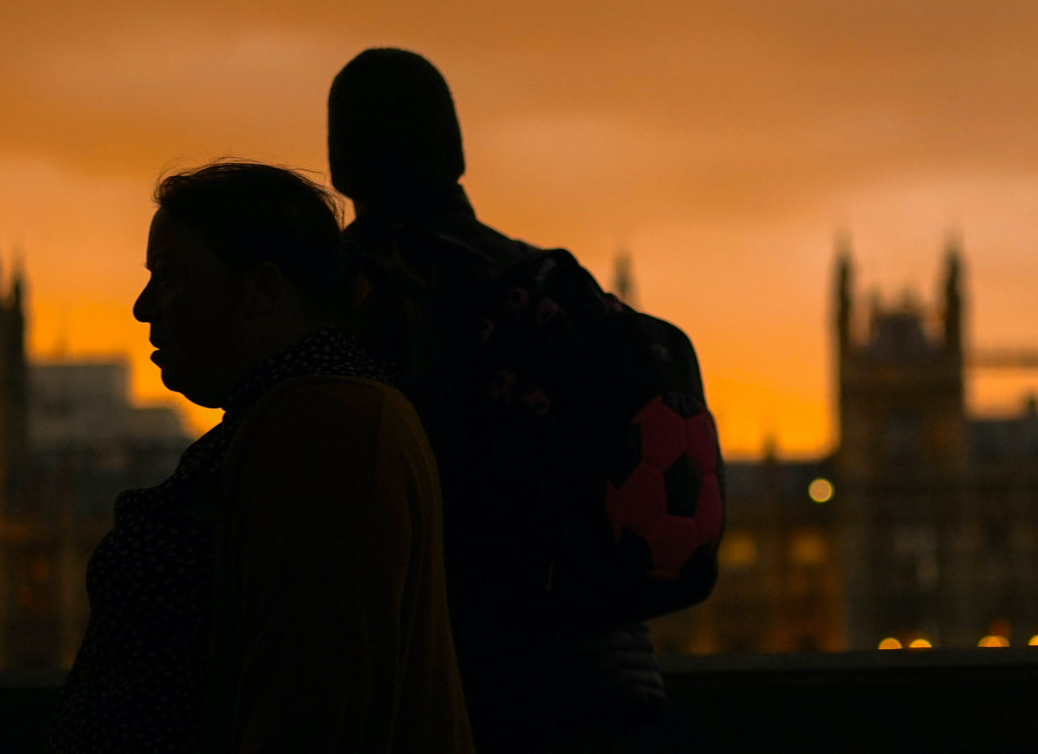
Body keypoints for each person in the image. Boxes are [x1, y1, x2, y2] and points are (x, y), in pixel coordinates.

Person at [52, 161, 473, 753]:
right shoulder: (294, 416)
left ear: (261, 290)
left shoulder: (327, 430)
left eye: (171, 278)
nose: (143, 307)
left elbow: (312, 700)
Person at [329, 48, 679, 754]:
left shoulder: (339, 300)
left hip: (455, 677)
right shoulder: (548, 285)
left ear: (342, 165)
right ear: (455, 150)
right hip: (599, 669)